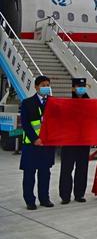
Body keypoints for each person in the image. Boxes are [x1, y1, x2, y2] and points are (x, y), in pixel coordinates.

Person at [20, 75, 56, 210]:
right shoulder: (27, 103)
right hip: (31, 145)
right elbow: (25, 124)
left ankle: (44, 198)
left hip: (47, 145)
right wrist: (35, 139)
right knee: (29, 174)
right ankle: (29, 200)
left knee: (44, 173)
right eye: (43, 85)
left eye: (48, 85)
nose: (46, 88)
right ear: (36, 87)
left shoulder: (53, 103)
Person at [59, 78, 90, 205]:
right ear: (73, 88)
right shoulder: (67, 103)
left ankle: (79, 194)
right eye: (78, 86)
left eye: (83, 86)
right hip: (69, 140)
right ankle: (65, 195)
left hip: (84, 140)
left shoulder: (90, 103)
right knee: (67, 168)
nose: (81, 89)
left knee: (82, 168)